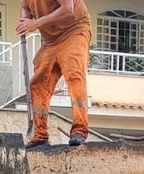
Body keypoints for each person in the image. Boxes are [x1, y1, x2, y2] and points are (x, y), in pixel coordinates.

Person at [16, 0, 91, 149]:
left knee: (74, 74)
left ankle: (79, 130)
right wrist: (25, 22)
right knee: (38, 84)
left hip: (74, 29)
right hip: (50, 40)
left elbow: (68, 9)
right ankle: (40, 135)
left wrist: (35, 23)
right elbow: (25, 7)